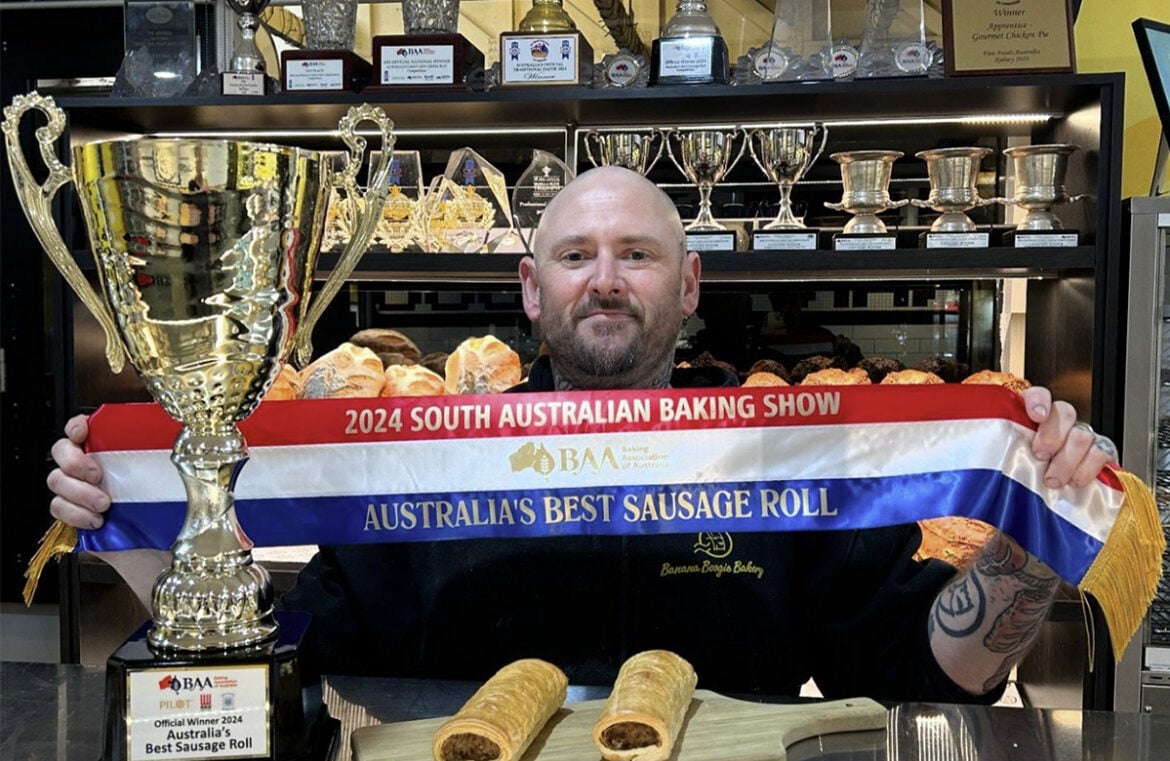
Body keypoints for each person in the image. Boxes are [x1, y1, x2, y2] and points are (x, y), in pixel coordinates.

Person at [46, 167, 1117, 702]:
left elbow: (929, 672)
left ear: (690, 285)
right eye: (576, 254)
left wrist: (1038, 535)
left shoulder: (782, 454)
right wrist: (143, 523)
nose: (606, 278)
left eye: (638, 254)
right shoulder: (427, 459)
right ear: (532, 288)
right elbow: (276, 664)